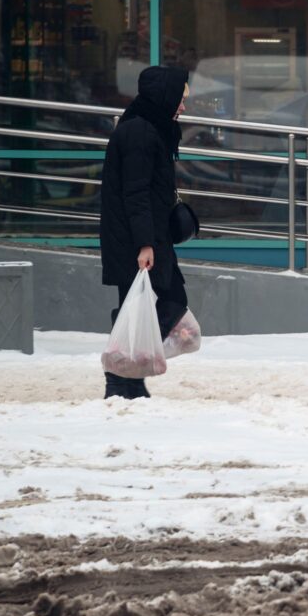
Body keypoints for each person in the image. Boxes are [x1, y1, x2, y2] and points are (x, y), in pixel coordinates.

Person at [99, 66, 191, 399]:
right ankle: (120, 378)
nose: (182, 107)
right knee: (153, 305)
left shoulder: (151, 127)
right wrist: (144, 245)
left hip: (149, 235)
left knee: (142, 307)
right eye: (180, 99)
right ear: (165, 96)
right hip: (138, 239)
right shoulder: (139, 132)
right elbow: (135, 193)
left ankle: (129, 380)